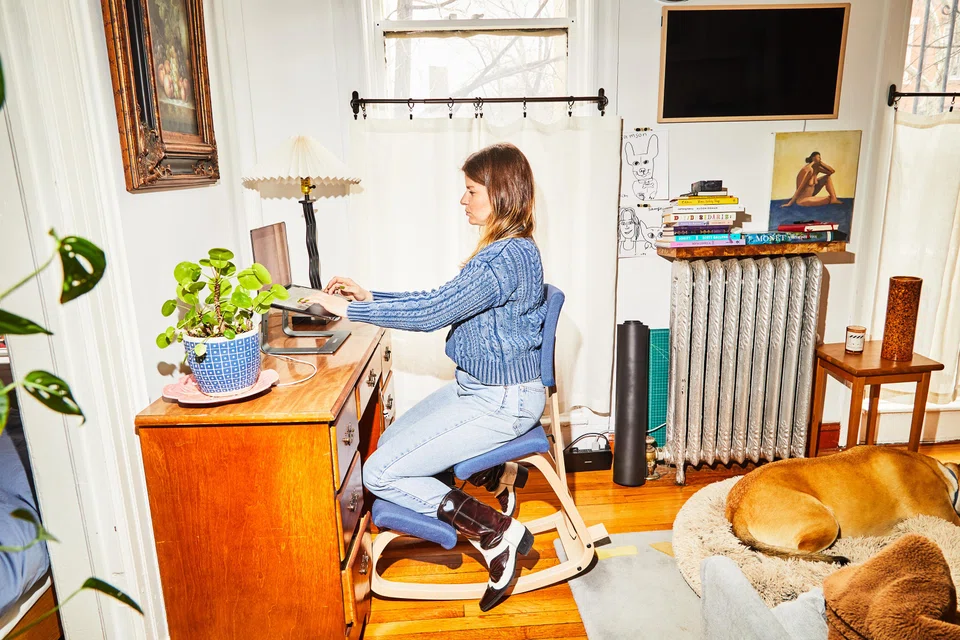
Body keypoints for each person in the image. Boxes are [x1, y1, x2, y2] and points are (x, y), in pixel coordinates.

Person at [313, 143, 547, 612]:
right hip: (480, 390)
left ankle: (494, 533)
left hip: (500, 401)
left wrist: (352, 309)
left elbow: (432, 312)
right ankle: (496, 474)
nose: (463, 200)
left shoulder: (503, 258)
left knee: (380, 472)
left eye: (471, 190)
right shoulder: (507, 250)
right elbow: (440, 298)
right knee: (392, 444)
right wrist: (371, 294)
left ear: (499, 192)